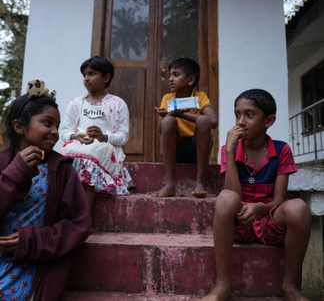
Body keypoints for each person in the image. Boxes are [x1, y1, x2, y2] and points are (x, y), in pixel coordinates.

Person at [202, 89, 311, 301]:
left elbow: (279, 201)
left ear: (268, 121)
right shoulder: (228, 149)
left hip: (270, 223)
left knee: (298, 207)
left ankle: (290, 286)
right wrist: (231, 152)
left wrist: (257, 208)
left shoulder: (282, 150)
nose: (241, 121)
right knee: (226, 197)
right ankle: (222, 285)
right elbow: (233, 194)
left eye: (249, 115)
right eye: (237, 114)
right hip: (239, 225)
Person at [0, 83, 89, 301]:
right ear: (19, 127)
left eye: (58, 126)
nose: (56, 132)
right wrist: (15, 174)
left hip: (36, 269)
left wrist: (31, 241)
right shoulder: (2, 163)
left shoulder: (62, 170)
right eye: (47, 123)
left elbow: (79, 224)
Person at [60, 56, 135, 230]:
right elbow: (64, 131)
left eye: (91, 74)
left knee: (88, 158)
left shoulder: (118, 103)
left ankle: (85, 218)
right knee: (63, 158)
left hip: (104, 146)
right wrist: (76, 137)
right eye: (84, 74)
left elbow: (123, 136)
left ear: (106, 78)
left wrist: (104, 137)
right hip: (77, 145)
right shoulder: (75, 103)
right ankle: (63, 216)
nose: (86, 78)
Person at [152, 58, 217, 198]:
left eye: (176, 75)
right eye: (169, 75)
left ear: (190, 80)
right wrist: (171, 113)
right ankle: (170, 184)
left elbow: (213, 121)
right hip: (177, 148)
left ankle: (200, 181)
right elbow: (160, 128)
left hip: (197, 147)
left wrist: (182, 114)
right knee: (168, 121)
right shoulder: (168, 98)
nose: (170, 79)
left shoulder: (200, 97)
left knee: (204, 120)